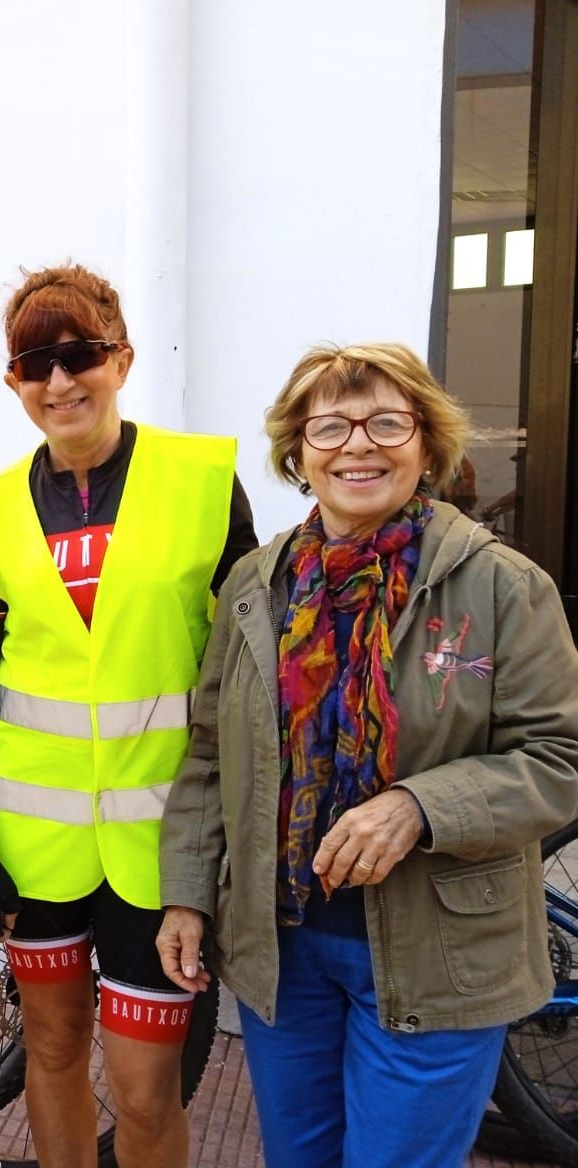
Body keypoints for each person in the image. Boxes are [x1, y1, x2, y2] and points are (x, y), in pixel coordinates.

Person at [158, 342, 578, 1167]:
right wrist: (186, 896)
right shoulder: (256, 583)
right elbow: (210, 751)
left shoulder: (501, 586)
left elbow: (558, 758)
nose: (358, 445)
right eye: (330, 427)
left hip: (438, 953)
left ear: (425, 443)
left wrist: (421, 806)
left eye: (387, 421)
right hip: (285, 948)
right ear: (297, 452)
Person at [0, 263, 257, 1168]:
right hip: (34, 848)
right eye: (34, 363)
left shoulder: (205, 484)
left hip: (164, 848)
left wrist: (229, 834)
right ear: (14, 382)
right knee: (49, 1053)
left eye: (78, 354)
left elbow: (245, 676)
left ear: (119, 359)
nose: (58, 381)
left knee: (146, 1088)